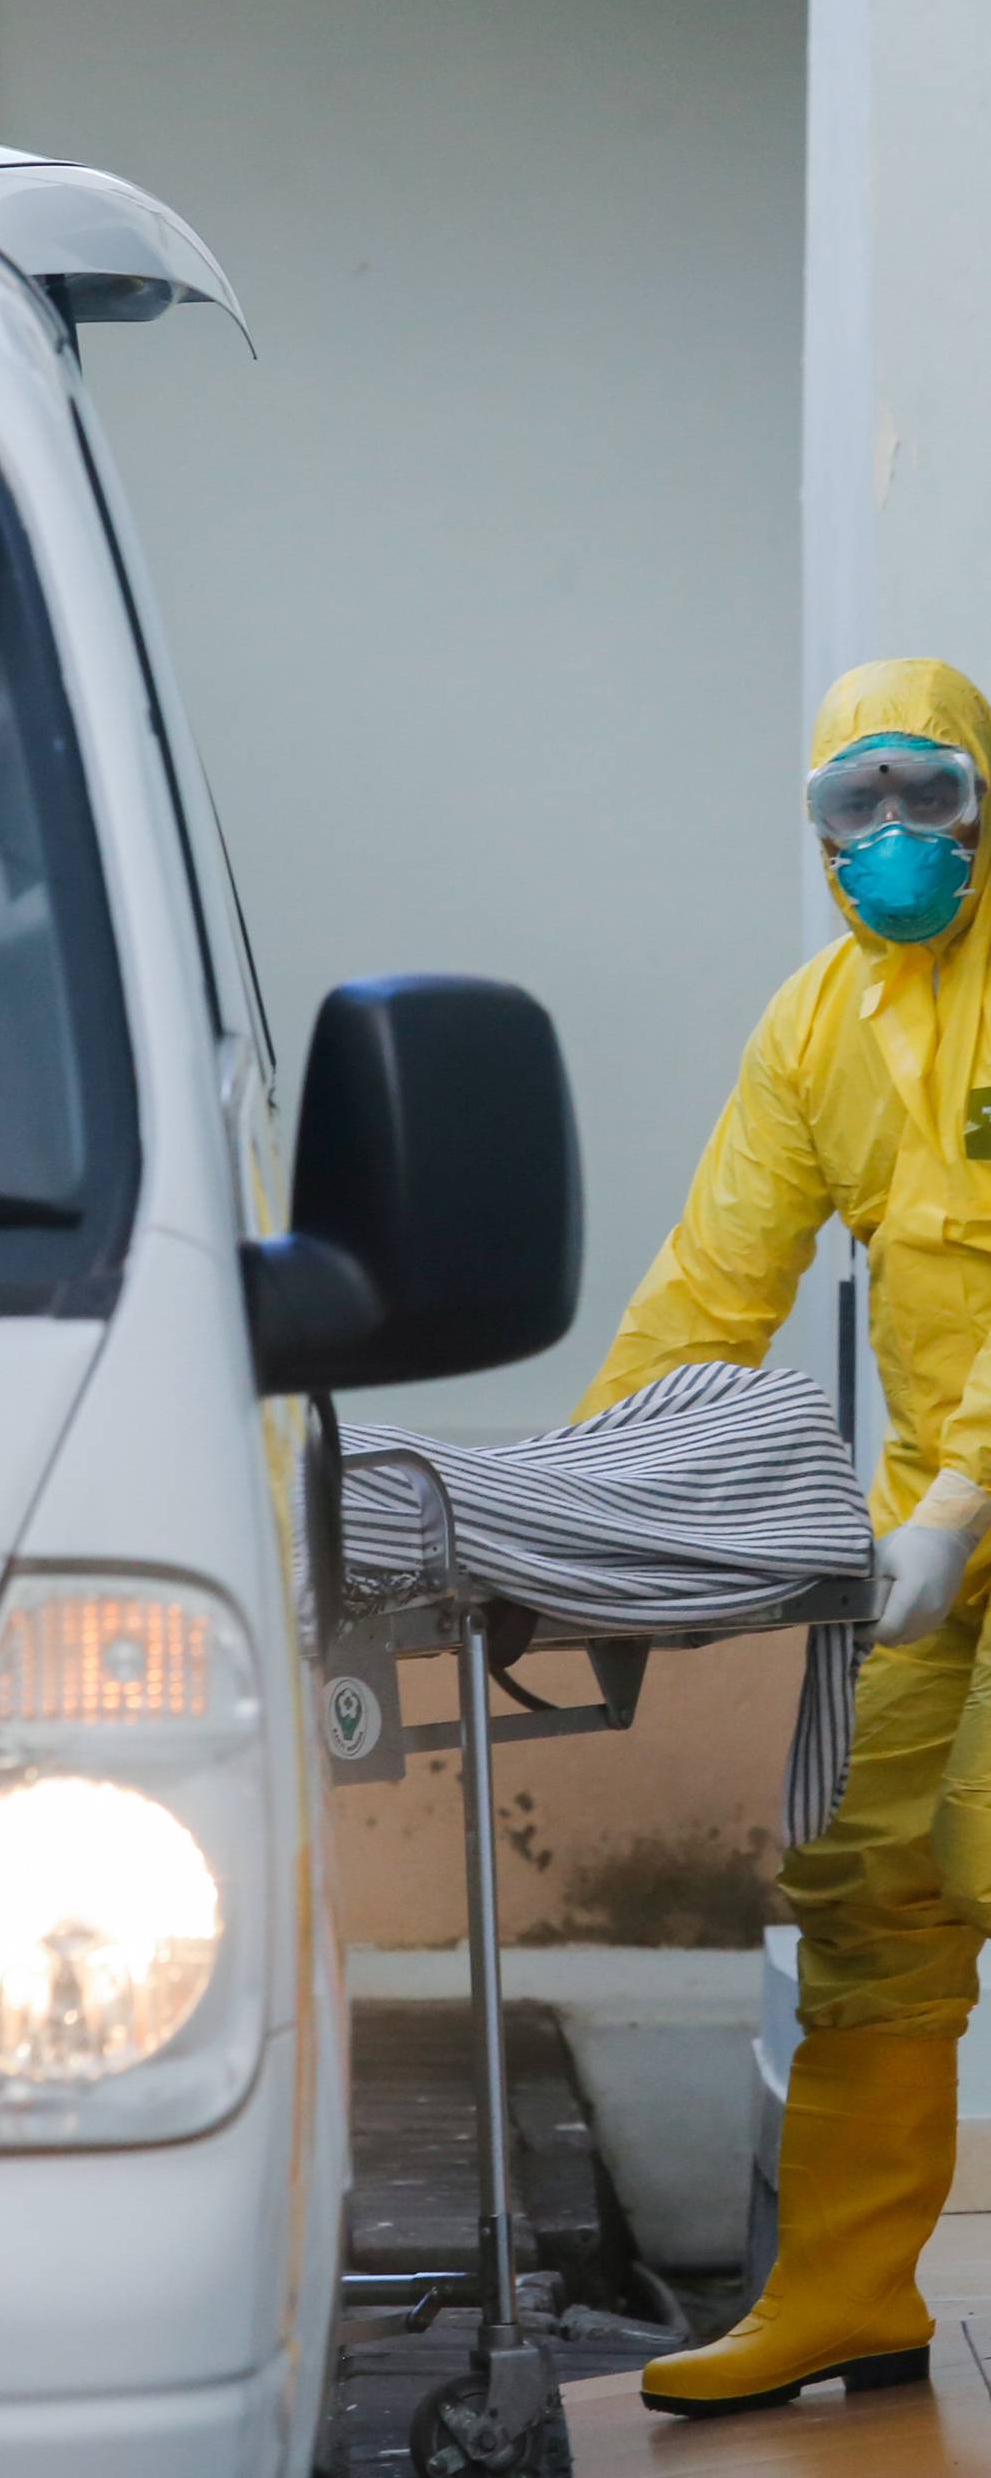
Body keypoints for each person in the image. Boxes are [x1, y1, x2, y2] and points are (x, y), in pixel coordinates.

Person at [578, 657, 991, 2420]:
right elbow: (717, 1283)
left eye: (930, 794)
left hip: (951, 1508)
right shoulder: (818, 1021)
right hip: (932, 1530)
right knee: (874, 1880)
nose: (893, 838)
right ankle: (842, 2295)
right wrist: (590, 1501)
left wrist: (965, 1494)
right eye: (854, 804)